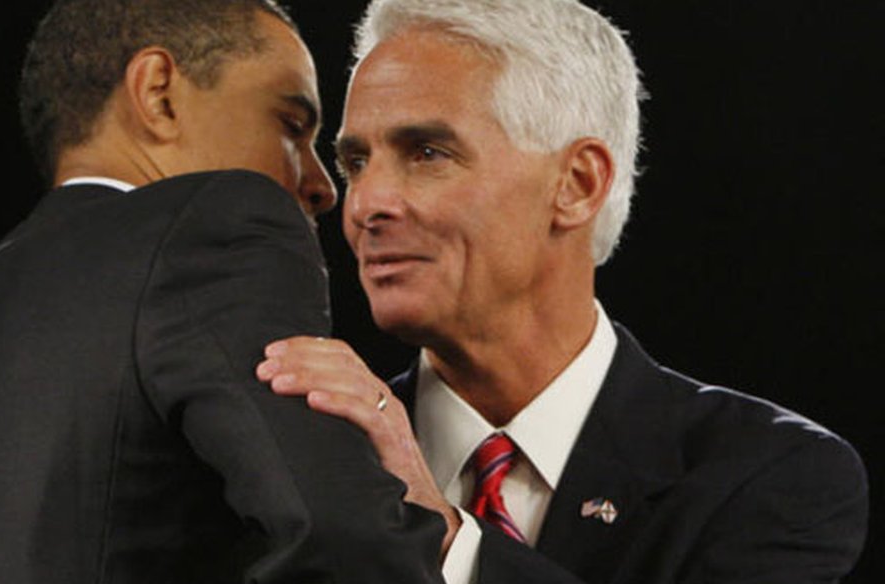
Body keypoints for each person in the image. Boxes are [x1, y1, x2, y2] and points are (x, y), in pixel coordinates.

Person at [256, 0, 870, 582]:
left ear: (576, 184)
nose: (366, 203)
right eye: (356, 162)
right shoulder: (293, 468)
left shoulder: (767, 476)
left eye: (427, 152)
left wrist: (441, 537)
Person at [0, 1, 446, 582]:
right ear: (159, 93)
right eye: (291, 126)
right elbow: (344, 545)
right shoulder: (217, 224)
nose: (322, 188)